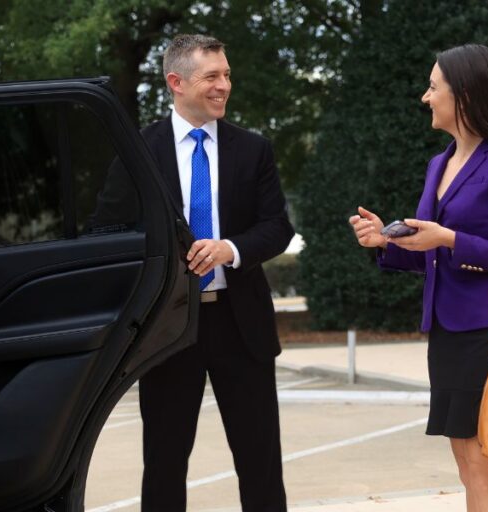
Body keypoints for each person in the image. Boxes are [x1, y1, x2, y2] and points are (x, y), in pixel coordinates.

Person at [349, 43, 488, 512]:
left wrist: (450, 238)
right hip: (448, 332)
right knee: (467, 462)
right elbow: (433, 254)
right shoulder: (439, 163)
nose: (425, 96)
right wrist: (387, 241)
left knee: (485, 463)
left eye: (434, 87)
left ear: (465, 95)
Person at [137, 34, 294, 512]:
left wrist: (230, 249)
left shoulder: (253, 148)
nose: (224, 85)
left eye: (226, 75)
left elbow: (278, 227)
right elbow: (114, 226)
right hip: (169, 327)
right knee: (163, 461)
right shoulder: (141, 149)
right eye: (212, 76)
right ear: (176, 82)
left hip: (240, 323)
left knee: (259, 460)